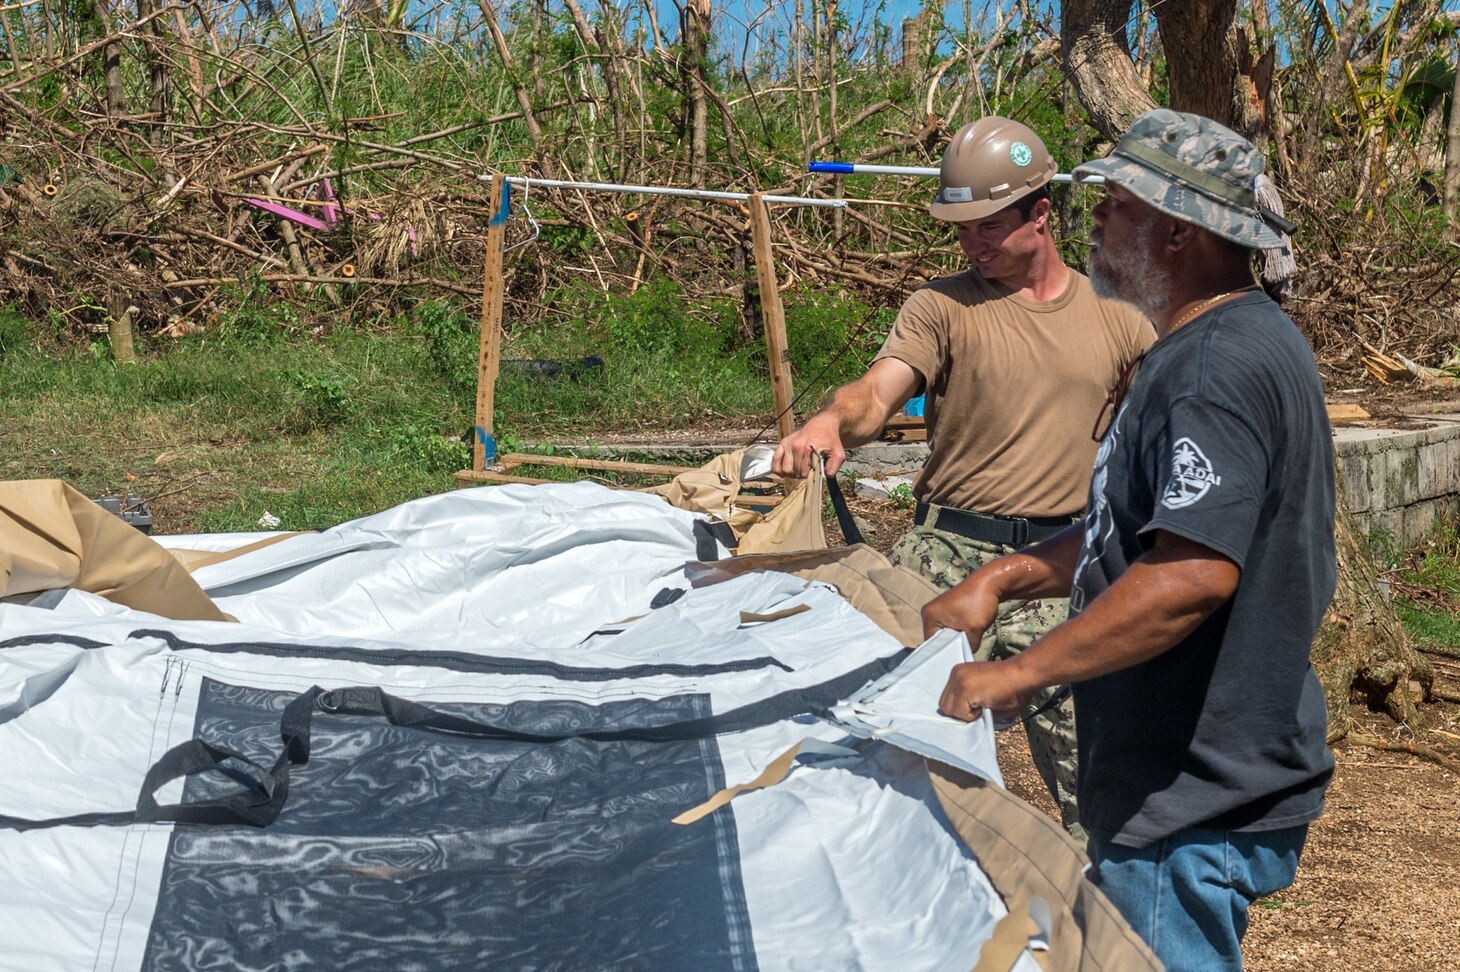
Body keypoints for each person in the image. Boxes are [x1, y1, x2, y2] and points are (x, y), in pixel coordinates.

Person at [922, 108, 1336, 971]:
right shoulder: (1216, 343)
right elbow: (1142, 530)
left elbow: (1190, 574)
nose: (1096, 221)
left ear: (1178, 233)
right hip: (1189, 780)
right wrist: (1004, 577)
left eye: (1116, 204)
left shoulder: (1214, 368)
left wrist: (1021, 668)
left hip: (1188, 796)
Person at [773, 117, 1153, 839]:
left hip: (1060, 568)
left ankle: (1095, 932)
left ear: (1041, 213)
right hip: (943, 562)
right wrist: (831, 422)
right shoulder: (941, 306)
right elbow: (878, 391)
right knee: (888, 758)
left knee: (1100, 786)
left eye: (986, 226)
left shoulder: (1122, 314)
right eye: (960, 229)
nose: (970, 243)